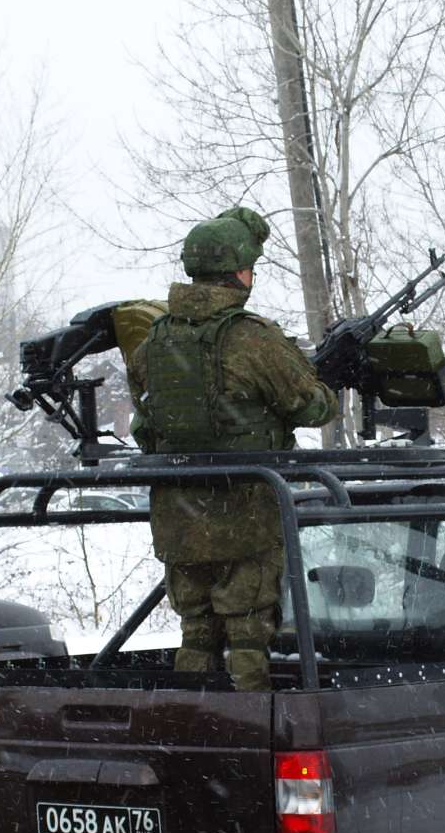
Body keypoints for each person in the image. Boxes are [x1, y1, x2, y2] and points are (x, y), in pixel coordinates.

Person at [127, 211, 338, 691]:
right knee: (247, 638)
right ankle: (249, 731)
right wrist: (325, 387)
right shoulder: (252, 338)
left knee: (196, 633)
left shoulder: (155, 340)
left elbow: (147, 423)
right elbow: (311, 407)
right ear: (239, 272)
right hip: (245, 515)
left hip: (180, 519)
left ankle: (191, 726)